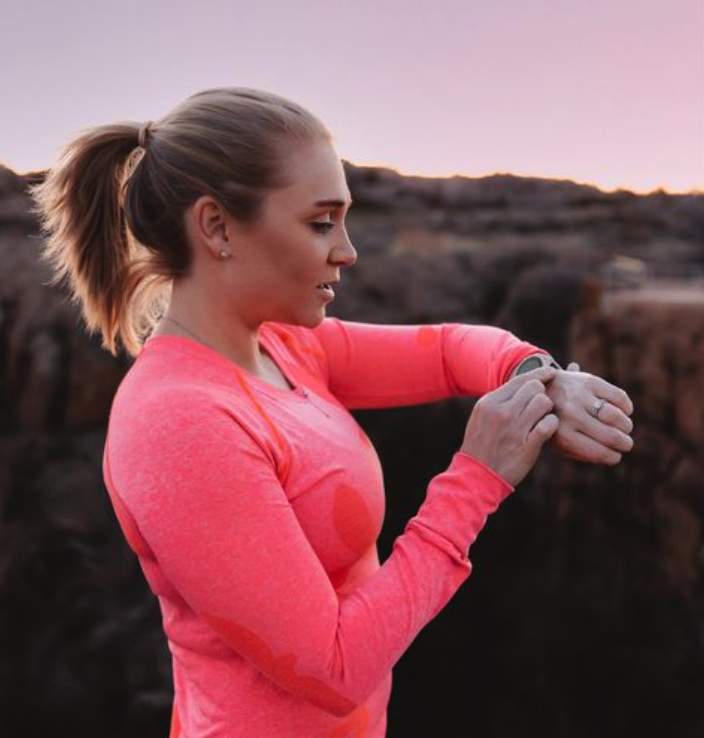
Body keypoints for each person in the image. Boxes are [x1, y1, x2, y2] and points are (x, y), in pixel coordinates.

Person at [29, 87, 634, 738]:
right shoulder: (178, 422)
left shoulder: (284, 347)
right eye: (321, 222)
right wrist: (476, 479)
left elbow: (448, 351)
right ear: (217, 226)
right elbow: (331, 669)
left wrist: (539, 377)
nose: (347, 251)